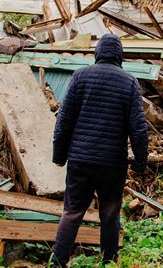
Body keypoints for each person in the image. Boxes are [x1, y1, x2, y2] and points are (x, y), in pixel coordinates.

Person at [50, 33, 148, 266]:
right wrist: (140, 162)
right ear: (119, 55)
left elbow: (64, 121)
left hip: (80, 160)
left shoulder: (80, 77)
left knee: (72, 212)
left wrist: (59, 155)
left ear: (97, 53)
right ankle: (109, 260)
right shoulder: (129, 82)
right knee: (110, 213)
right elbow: (139, 129)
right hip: (112, 164)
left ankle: (58, 262)